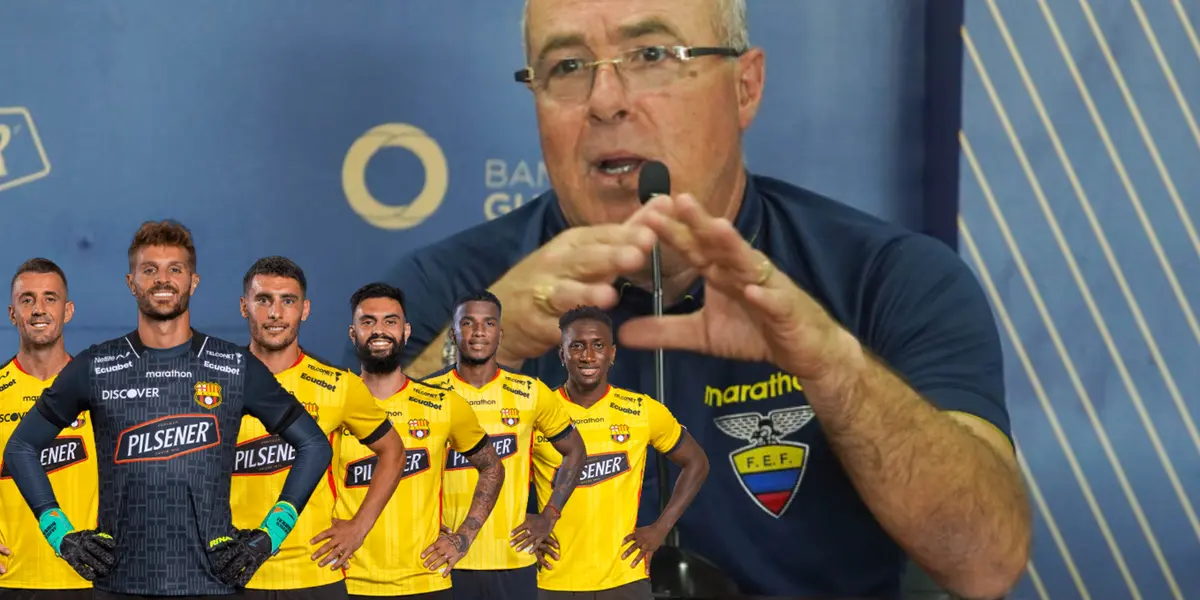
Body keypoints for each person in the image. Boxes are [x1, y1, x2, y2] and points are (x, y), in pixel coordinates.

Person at [352, 0, 1033, 597]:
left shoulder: (890, 277)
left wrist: (833, 366)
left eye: (652, 55)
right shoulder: (445, 296)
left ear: (745, 87)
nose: (605, 100)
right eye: (567, 66)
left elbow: (986, 563)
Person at [2, 220, 334, 599]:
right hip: (120, 584)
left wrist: (270, 535)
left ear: (193, 281)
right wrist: (59, 533)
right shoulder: (95, 366)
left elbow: (314, 445)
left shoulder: (233, 365)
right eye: (149, 270)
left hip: (213, 585)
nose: (162, 279)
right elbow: (20, 448)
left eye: (175, 269)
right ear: (131, 283)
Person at [230, 257, 406, 600]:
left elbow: (394, 452)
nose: (275, 313)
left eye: (288, 301)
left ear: (305, 309)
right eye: (263, 300)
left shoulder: (339, 385)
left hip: (314, 573)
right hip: (232, 573)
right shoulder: (214, 378)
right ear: (243, 306)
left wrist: (359, 527)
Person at [335, 282, 505, 600]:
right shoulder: (331, 403)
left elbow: (492, 467)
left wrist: (463, 538)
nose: (379, 330)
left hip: (425, 582)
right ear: (353, 333)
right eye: (368, 321)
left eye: (390, 321)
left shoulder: (444, 404)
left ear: (406, 330)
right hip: (345, 581)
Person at [531, 306, 708, 600]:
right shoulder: (537, 411)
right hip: (554, 580)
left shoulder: (641, 410)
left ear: (612, 353)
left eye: (598, 346)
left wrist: (661, 529)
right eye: (577, 346)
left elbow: (697, 463)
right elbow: (495, 472)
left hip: (625, 580)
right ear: (562, 354)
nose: (588, 356)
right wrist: (523, 525)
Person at [421, 291, 585, 600]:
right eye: (468, 323)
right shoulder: (426, 394)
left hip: (513, 559)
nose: (478, 332)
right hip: (443, 557)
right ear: (453, 334)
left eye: (489, 323)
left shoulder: (530, 392)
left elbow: (576, 451)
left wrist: (549, 515)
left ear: (500, 333)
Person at [0, 259, 98, 600]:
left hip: (89, 581)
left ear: (68, 311)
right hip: (11, 578)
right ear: (12, 314)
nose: (38, 309)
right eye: (27, 300)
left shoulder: (99, 389)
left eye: (50, 298)